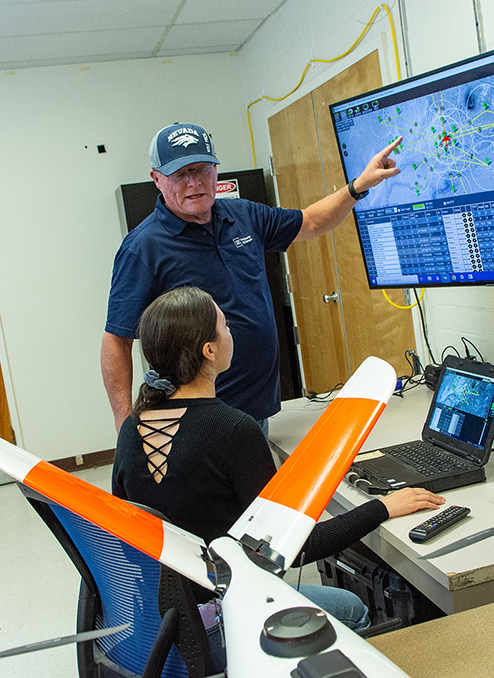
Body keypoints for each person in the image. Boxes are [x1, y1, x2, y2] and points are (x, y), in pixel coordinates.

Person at [111, 286, 443, 672]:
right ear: (209, 351)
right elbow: (293, 548)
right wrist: (381, 507)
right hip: (222, 619)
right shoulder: (235, 431)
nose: (230, 331)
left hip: (158, 623)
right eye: (225, 325)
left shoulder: (131, 429)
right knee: (351, 608)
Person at [102, 123, 403, 433]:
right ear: (157, 179)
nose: (194, 183)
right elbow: (116, 339)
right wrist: (125, 425)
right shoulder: (143, 247)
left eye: (202, 169)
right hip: (198, 422)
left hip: (256, 410)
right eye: (180, 174)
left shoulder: (243, 216)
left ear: (216, 169)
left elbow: (311, 222)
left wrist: (358, 186)